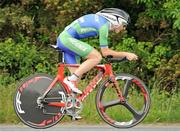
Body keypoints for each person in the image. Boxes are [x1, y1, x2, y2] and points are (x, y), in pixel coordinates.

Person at [57, 8, 138, 98]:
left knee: (76, 77)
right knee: (96, 57)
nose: (124, 28)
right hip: (66, 40)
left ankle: (66, 104)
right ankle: (70, 80)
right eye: (124, 25)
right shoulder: (104, 25)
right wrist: (126, 54)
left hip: (65, 39)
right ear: (117, 20)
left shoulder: (100, 21)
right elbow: (105, 52)